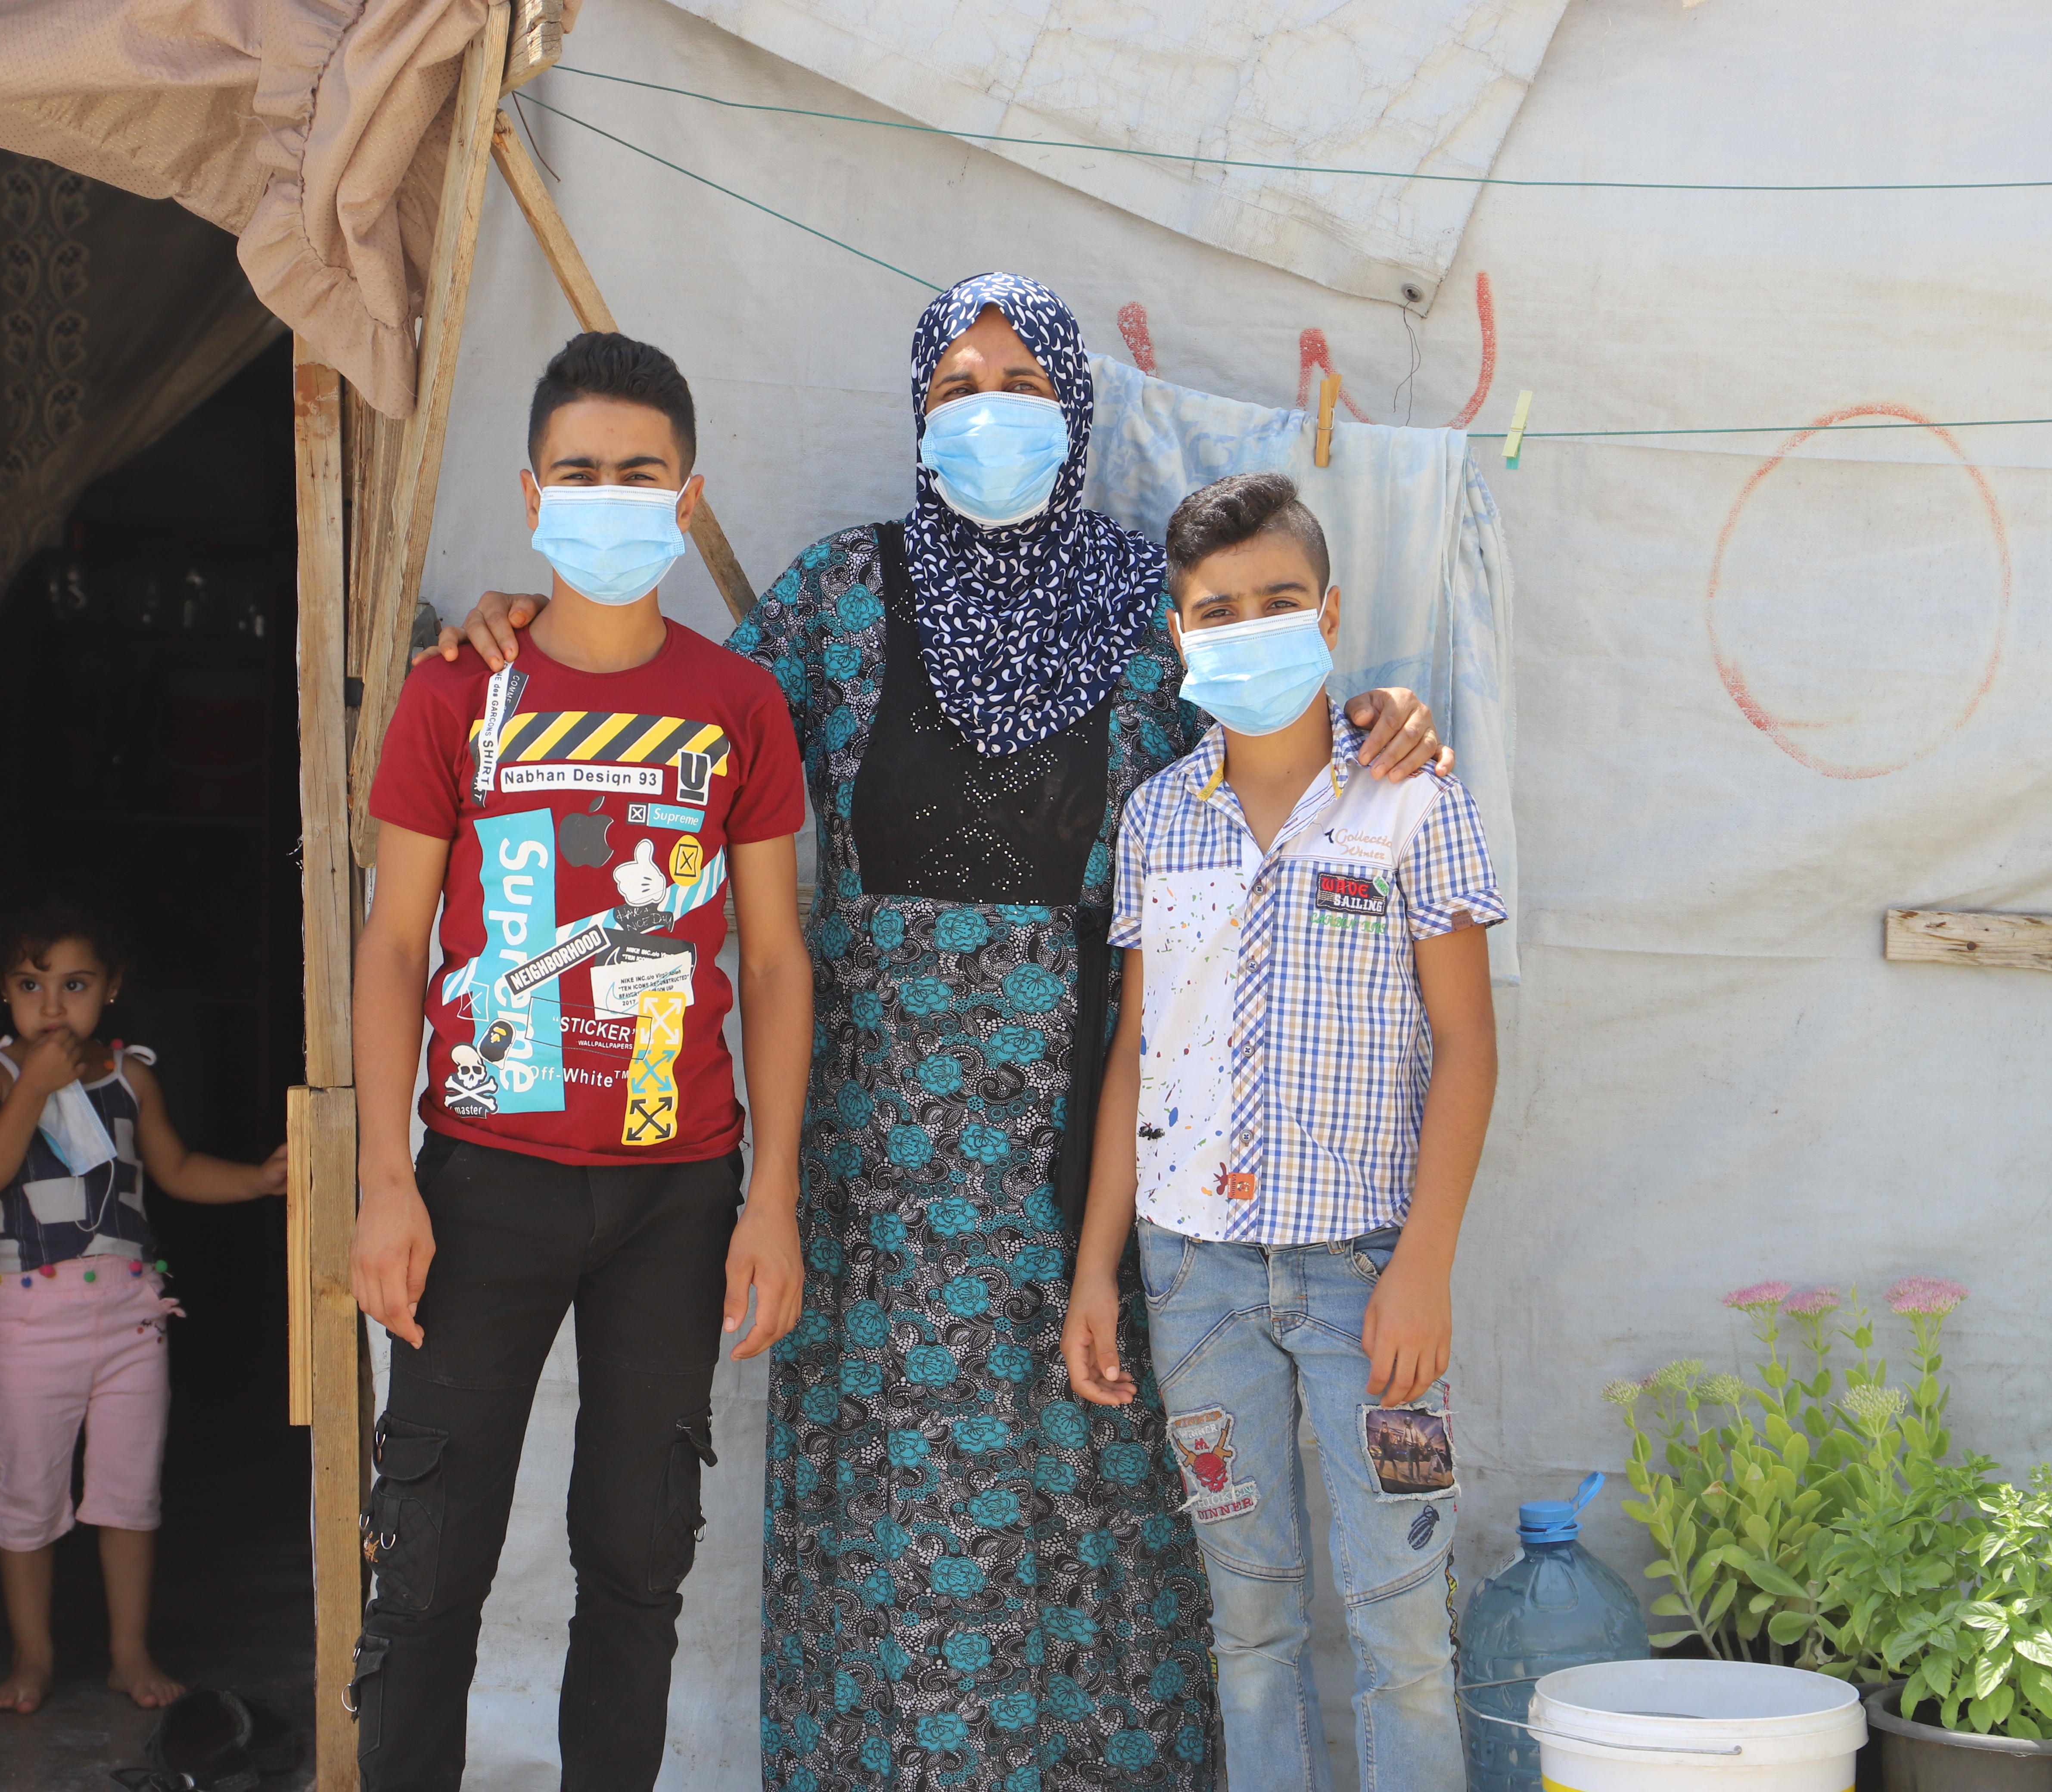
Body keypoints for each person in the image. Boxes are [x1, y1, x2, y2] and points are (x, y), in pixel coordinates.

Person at [435, 274, 1453, 1786]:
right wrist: (533, 623)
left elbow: (1272, 752)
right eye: (956, 384)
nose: (989, 410)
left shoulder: (1149, 603)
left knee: (1097, 1494)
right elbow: (680, 727)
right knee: (897, 1522)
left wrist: (1378, 716)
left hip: (1097, 1143)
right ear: (919, 417)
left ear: (1076, 410)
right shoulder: (841, 599)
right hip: (873, 1159)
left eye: (1025, 380)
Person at [349, 331, 811, 1791]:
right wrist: (382, 1182)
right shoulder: (454, 698)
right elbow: (390, 946)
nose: (609, 497)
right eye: (580, 472)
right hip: (479, 1186)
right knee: (426, 1566)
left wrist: (773, 1198)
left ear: (686, 497)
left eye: (640, 473)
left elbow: (781, 963)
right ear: (531, 487)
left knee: (638, 1565)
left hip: (681, 1201)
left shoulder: (740, 707)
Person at [1064, 472, 1501, 1792]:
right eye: (1217, 610)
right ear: (1180, 635)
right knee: (1248, 1626)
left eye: (1279, 601)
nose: (1249, 627)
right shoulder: (1156, 821)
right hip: (1193, 1280)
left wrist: (1422, 1264)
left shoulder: (1412, 805)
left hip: (1368, 1278)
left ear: (1330, 612)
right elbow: (1133, 1054)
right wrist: (1099, 1266)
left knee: (1401, 1624)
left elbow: (1470, 1046)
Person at [0, 899, 289, 1715]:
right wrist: (33, 1087)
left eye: (75, 983)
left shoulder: (132, 1076)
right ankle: (32, 1657)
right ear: (4, 990)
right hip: (31, 1325)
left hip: (134, 1321)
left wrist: (258, 1179)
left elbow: (173, 1170)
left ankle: (128, 1653)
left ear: (113, 988)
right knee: (29, 1493)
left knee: (129, 1493)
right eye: (32, 985)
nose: (53, 1005)